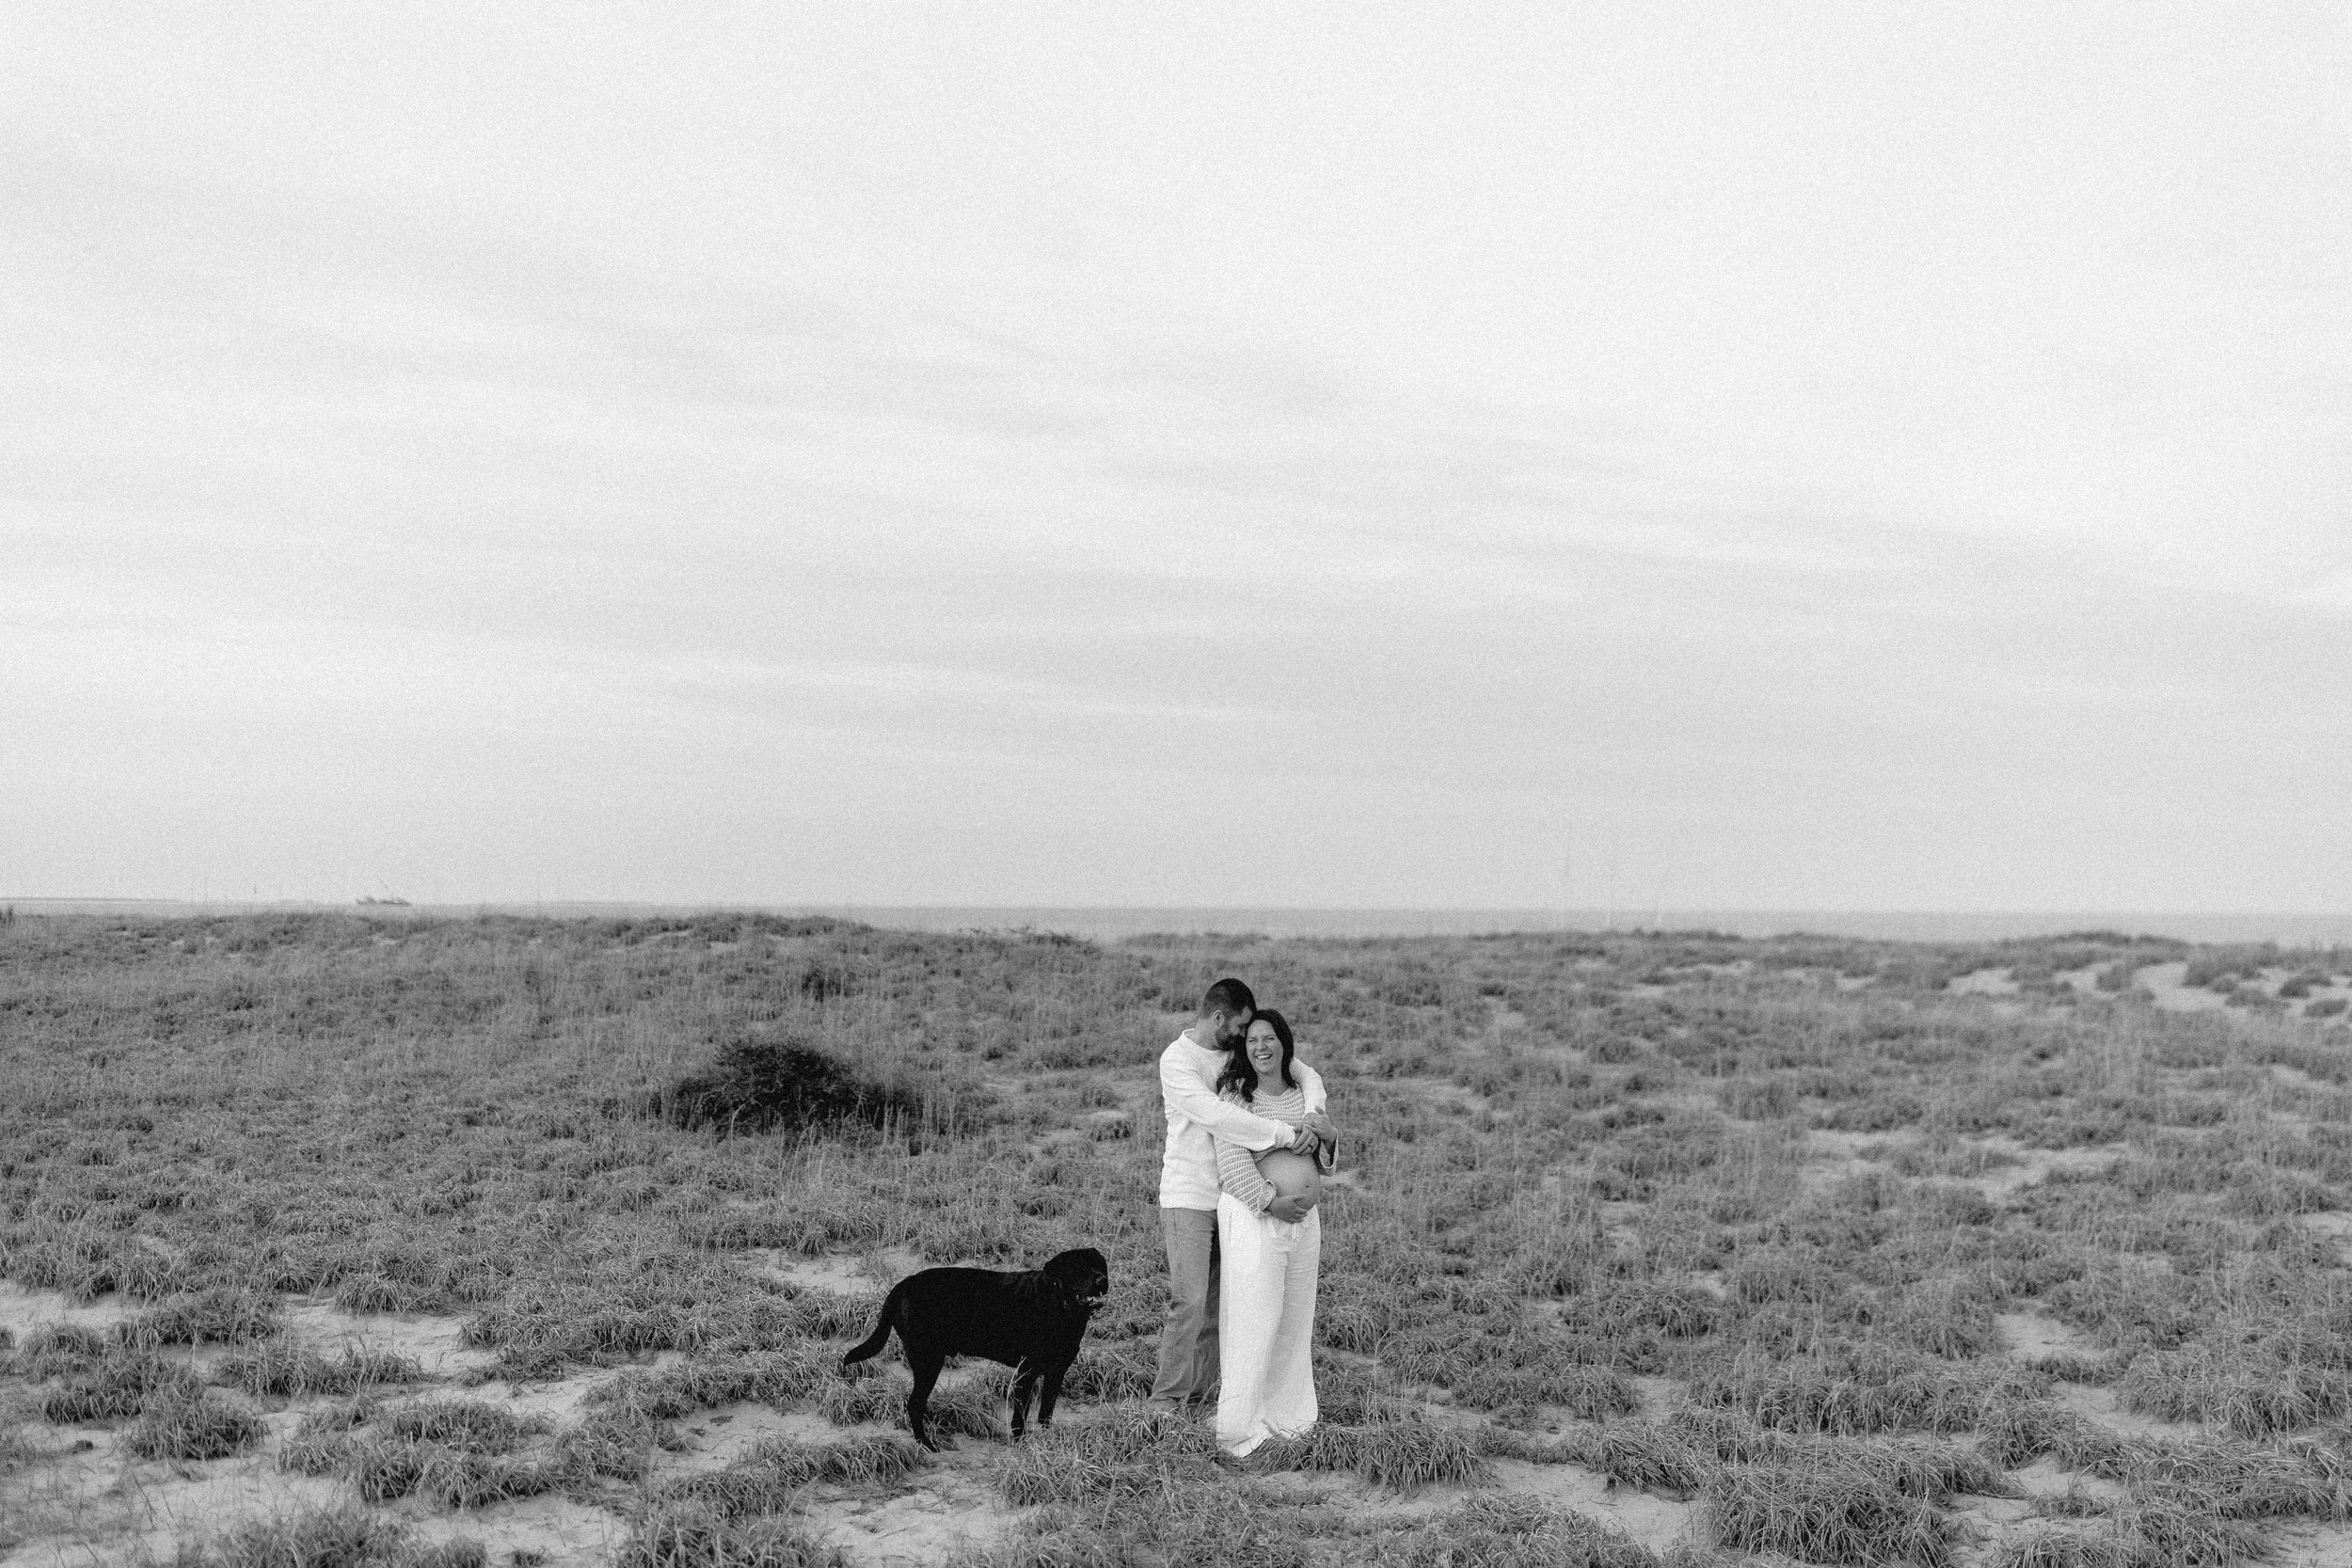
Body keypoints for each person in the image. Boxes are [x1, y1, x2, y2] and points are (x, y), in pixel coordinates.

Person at [1150, 977, 1320, 1413]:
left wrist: (1316, 1112)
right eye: (1242, 1027)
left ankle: (1202, 1396)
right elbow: (1219, 1117)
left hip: (1231, 1202)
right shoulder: (1178, 1060)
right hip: (1188, 1194)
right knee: (1187, 1302)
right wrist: (1286, 1133)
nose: (1247, 1038)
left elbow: (1300, 1070)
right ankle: (1164, 1401)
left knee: (1218, 1307)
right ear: (1219, 1018)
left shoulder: (1232, 1051)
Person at [1209, 1007, 1334, 1455]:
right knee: (1252, 1319)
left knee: (1295, 1320)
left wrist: (1331, 1137)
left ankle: (1290, 1418)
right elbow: (1230, 1161)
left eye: (1269, 1038)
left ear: (1284, 1042)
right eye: (1252, 1041)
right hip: (1255, 1216)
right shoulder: (1236, 1095)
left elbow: (1322, 1158)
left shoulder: (1305, 1094)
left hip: (1304, 1225)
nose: (1261, 1047)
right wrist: (1270, 1201)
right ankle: (1239, 1430)